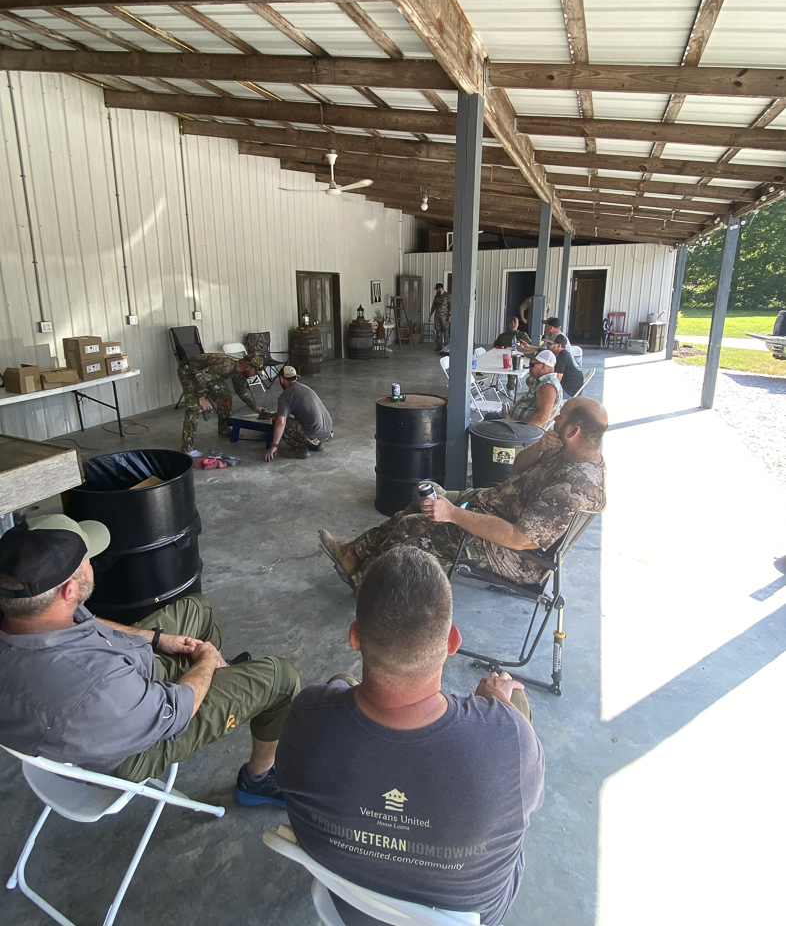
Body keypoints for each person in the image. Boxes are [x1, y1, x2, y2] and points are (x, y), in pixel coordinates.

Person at [276, 545, 545, 926]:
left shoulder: (306, 717)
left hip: (348, 907)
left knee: (341, 684)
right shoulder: (510, 741)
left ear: (355, 637)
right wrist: (497, 710)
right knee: (517, 704)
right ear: (452, 643)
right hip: (467, 917)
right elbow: (525, 805)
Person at [0, 514, 299, 806]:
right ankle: (257, 781)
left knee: (199, 609)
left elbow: (87, 621)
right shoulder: (97, 685)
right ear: (70, 591)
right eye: (88, 559)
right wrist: (205, 662)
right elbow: (175, 711)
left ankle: (224, 681)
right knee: (281, 679)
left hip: (119, 691)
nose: (92, 562)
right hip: (132, 744)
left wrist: (155, 638)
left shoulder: (31, 611)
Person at [319, 396, 607, 589]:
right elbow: (518, 467)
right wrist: (541, 446)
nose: (554, 420)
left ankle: (367, 586)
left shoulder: (574, 486)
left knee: (414, 526)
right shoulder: (564, 449)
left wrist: (453, 514)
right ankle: (353, 554)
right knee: (423, 500)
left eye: (560, 418)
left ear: (574, 431)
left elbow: (519, 539)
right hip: (491, 508)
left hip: (510, 554)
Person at [178, 351, 264, 454]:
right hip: (189, 372)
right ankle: (187, 447)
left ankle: (224, 430)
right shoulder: (227, 366)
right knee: (194, 408)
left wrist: (255, 408)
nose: (255, 375)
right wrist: (202, 398)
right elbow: (200, 378)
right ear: (248, 367)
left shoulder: (240, 372)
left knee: (225, 397)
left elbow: (241, 391)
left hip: (205, 376)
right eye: (255, 372)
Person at [261, 364, 333, 461]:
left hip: (313, 433)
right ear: (295, 378)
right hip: (327, 432)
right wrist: (272, 414)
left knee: (278, 421)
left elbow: (281, 421)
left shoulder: (286, 395)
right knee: (298, 419)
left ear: (281, 379)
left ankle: (300, 450)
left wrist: (274, 445)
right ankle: (316, 445)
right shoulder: (304, 388)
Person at [506, 350, 564, 427]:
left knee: (490, 420)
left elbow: (542, 417)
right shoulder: (542, 381)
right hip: (514, 422)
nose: (529, 368)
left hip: (522, 429)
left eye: (532, 365)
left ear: (543, 366)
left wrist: (514, 423)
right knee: (492, 416)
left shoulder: (548, 385)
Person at [429, 282, 451, 352]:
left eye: (437, 289)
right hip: (437, 317)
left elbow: (451, 307)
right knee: (438, 331)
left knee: (446, 332)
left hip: (445, 317)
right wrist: (430, 315)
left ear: (440, 288)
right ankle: (439, 346)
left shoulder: (448, 296)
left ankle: (447, 347)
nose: (436, 291)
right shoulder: (436, 296)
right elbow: (433, 306)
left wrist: (450, 316)